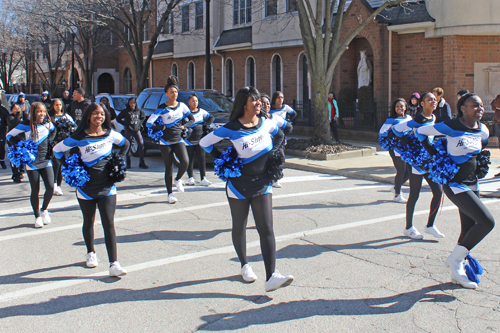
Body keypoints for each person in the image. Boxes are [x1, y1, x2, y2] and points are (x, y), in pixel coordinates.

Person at [200, 86, 294, 292]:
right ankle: (244, 265)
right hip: (238, 186)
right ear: (244, 104)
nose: (259, 103)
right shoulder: (232, 127)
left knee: (267, 229)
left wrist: (274, 155)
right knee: (239, 226)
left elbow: (280, 136)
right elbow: (205, 142)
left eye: (259, 100)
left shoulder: (266, 123)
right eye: (255, 100)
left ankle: (271, 276)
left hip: (263, 182)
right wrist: (224, 160)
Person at [415, 93, 495, 289]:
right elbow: (421, 133)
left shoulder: (482, 129)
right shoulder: (450, 126)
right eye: (475, 105)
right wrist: (437, 156)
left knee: (468, 228)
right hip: (455, 184)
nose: (480, 108)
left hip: (472, 183)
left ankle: (456, 273)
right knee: (487, 222)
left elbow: (479, 147)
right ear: (463, 108)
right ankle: (455, 260)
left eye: (482, 105)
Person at [53, 103, 130, 277]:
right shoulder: (79, 137)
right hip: (85, 188)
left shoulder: (110, 134)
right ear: (89, 116)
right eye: (95, 113)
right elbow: (57, 150)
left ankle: (113, 263)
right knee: (89, 221)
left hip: (107, 187)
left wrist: (118, 161)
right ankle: (91, 253)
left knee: (108, 223)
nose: (99, 116)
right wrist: (70, 168)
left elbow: (125, 144)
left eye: (102, 114)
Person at [393, 92, 444, 240]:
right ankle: (408, 228)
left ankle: (430, 225)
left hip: (429, 162)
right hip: (417, 163)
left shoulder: (433, 117)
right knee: (414, 195)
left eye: (435, 99)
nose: (433, 102)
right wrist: (409, 145)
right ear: (422, 103)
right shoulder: (418, 120)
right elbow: (397, 130)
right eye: (430, 100)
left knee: (438, 192)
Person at [7, 102, 56, 228]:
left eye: (44, 111)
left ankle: (44, 209)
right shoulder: (26, 125)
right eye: (39, 111)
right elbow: (9, 136)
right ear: (33, 112)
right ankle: (37, 217)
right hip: (32, 162)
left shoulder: (47, 123)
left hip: (46, 160)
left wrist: (51, 141)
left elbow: (54, 131)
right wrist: (21, 147)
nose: (42, 114)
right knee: (35, 190)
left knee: (50, 187)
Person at [146, 76, 194, 203]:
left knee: (185, 161)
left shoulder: (182, 106)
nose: (174, 94)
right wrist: (161, 126)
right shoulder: (162, 108)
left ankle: (178, 179)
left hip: (178, 139)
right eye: (172, 92)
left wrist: (184, 126)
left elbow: (192, 119)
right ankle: (170, 194)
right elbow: (149, 123)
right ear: (166, 93)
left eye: (176, 92)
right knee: (168, 168)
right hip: (165, 141)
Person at [378, 98, 412, 203]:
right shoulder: (391, 119)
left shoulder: (409, 118)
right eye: (397, 106)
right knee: (401, 171)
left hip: (407, 147)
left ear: (405, 107)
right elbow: (381, 132)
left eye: (401, 106)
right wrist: (393, 135)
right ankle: (397, 195)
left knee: (409, 171)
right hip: (396, 148)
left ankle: (396, 187)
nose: (399, 108)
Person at [184, 93, 214, 186]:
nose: (195, 102)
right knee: (190, 159)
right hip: (189, 140)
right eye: (193, 101)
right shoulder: (186, 114)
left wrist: (207, 125)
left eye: (196, 101)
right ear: (189, 102)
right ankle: (190, 178)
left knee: (201, 159)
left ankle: (203, 178)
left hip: (200, 139)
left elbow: (211, 117)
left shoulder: (201, 111)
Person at [269, 91, 297, 188]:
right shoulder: (270, 109)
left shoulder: (285, 107)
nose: (281, 99)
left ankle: (275, 177)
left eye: (282, 97)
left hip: (281, 134)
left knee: (280, 156)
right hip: (270, 134)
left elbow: (294, 113)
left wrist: (288, 121)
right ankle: (271, 177)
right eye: (278, 97)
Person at [49, 98, 76, 195]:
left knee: (61, 164)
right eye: (56, 105)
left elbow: (74, 126)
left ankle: (58, 186)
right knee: (55, 163)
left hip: (64, 143)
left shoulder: (66, 116)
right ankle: (54, 184)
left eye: (60, 105)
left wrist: (72, 128)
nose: (58, 107)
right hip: (54, 143)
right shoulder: (50, 117)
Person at [116, 97, 148, 169]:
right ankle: (128, 163)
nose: (132, 104)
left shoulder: (139, 111)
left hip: (137, 130)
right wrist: (125, 124)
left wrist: (140, 124)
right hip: (129, 130)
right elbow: (118, 118)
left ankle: (141, 162)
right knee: (128, 146)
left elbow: (143, 117)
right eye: (131, 103)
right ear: (129, 103)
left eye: (133, 103)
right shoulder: (126, 111)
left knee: (141, 145)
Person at [7, 103, 25, 182]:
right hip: (12, 140)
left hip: (22, 140)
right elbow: (14, 123)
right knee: (14, 157)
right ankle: (16, 174)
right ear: (11, 110)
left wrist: (24, 112)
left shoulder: (22, 116)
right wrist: (18, 114)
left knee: (22, 156)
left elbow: (27, 121)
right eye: (15, 108)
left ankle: (21, 171)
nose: (17, 109)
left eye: (18, 108)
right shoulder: (10, 117)